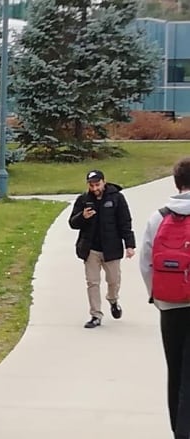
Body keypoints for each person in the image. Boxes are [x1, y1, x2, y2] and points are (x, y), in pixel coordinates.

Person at [139, 156, 190, 439]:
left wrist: (157, 297)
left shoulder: (159, 216)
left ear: (177, 183)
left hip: (170, 306)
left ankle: (177, 429)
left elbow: (146, 262)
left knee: (176, 369)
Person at [69, 169, 136, 329]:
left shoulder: (117, 198)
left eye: (97, 184)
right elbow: (72, 223)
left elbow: (125, 222)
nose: (94, 188)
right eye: (91, 185)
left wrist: (130, 245)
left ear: (104, 182)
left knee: (113, 280)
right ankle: (95, 315)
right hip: (90, 248)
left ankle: (113, 300)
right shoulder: (83, 200)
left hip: (111, 248)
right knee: (92, 282)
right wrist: (82, 217)